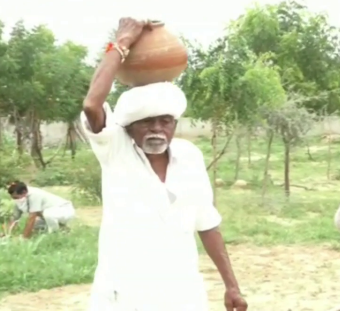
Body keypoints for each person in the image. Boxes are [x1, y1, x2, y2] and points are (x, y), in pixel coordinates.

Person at [80, 18, 247, 311]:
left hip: (181, 292)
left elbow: (207, 224)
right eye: (146, 122)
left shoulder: (190, 157)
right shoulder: (115, 149)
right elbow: (92, 105)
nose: (157, 129)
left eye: (165, 121)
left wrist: (232, 286)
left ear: (175, 123)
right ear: (129, 126)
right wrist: (122, 43)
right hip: (124, 294)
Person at [6, 181, 76, 238]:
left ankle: (54, 236)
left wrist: (24, 238)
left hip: (64, 210)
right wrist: (6, 234)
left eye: (16, 197)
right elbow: (14, 218)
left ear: (24, 192)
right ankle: (64, 231)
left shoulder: (34, 195)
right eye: (13, 198)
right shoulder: (20, 199)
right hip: (48, 215)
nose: (15, 200)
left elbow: (32, 217)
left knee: (47, 214)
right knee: (37, 224)